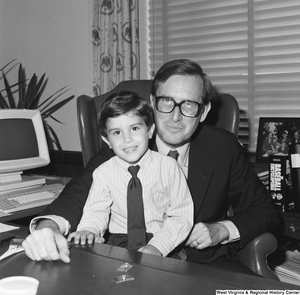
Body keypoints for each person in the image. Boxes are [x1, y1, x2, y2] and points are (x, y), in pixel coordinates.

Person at [22, 59, 279, 274]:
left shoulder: (223, 147)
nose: (175, 117)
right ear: (153, 102)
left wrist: (222, 229)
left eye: (189, 104)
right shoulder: (127, 143)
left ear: (204, 111)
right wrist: (49, 227)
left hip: (203, 266)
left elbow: (265, 211)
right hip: (128, 263)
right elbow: (79, 192)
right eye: (167, 101)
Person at [67, 91, 194, 257]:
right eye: (117, 133)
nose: (127, 139)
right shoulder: (103, 173)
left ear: (150, 131)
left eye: (134, 128)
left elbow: (181, 215)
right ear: (107, 140)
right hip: (118, 244)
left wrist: (158, 246)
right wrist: (88, 230)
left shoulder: (169, 168)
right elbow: (96, 211)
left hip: (162, 242)